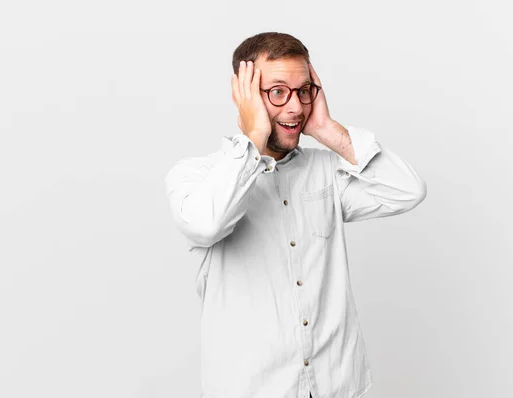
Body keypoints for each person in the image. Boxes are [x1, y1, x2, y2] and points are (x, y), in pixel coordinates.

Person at [165, 32, 427, 398]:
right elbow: (208, 225)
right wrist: (254, 135)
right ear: (245, 95)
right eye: (277, 92)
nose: (295, 107)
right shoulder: (197, 177)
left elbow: (407, 190)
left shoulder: (328, 171)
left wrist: (325, 129)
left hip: (335, 386)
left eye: (303, 91)